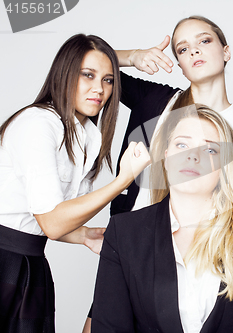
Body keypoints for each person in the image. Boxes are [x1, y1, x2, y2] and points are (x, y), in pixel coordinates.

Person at [92, 104, 233, 333]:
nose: (192, 157)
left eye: (210, 150)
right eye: (182, 145)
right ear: (166, 157)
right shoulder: (123, 232)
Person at [0, 34, 150, 333]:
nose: (100, 89)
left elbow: (45, 223)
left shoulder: (86, 135)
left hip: (31, 262)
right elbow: (53, 222)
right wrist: (123, 180)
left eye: (108, 80)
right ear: (65, 73)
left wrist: (83, 235)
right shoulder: (38, 124)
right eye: (88, 75)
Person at [110, 15, 233, 216]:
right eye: (183, 49)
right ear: (181, 67)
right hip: (135, 234)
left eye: (204, 41)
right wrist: (132, 56)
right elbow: (82, 62)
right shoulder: (155, 100)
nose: (194, 51)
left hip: (202, 240)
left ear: (226, 52)